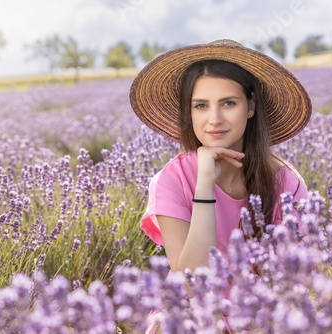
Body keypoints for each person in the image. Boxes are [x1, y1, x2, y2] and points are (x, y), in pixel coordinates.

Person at [129, 39, 312, 333]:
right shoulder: (172, 180)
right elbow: (191, 282)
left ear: (250, 106)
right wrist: (204, 186)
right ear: (189, 113)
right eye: (201, 106)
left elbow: (293, 281)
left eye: (228, 103)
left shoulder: (286, 182)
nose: (214, 119)